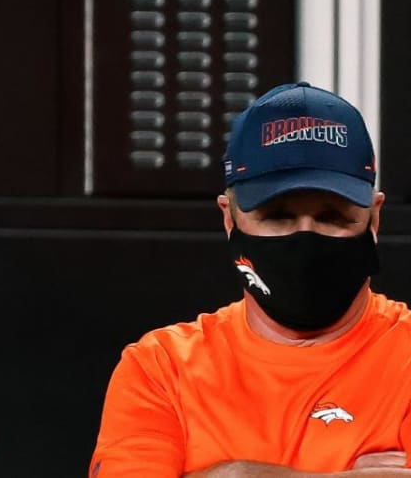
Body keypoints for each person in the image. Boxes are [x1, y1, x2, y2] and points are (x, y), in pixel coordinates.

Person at [90, 82, 411, 477]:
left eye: (333, 217)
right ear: (229, 218)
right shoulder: (161, 369)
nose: (304, 236)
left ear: (374, 220)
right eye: (277, 216)